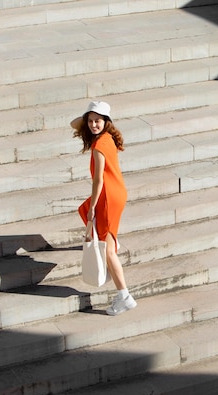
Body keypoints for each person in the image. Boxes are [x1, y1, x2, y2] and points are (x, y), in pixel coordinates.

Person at [71, 101, 137, 315]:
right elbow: (74, 123)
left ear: (106, 121)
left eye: (97, 121)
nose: (92, 125)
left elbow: (98, 180)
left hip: (107, 196)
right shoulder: (108, 137)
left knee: (108, 250)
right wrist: (93, 113)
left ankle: (124, 296)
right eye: (90, 121)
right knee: (88, 215)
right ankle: (109, 240)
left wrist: (93, 207)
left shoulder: (100, 145)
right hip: (117, 193)